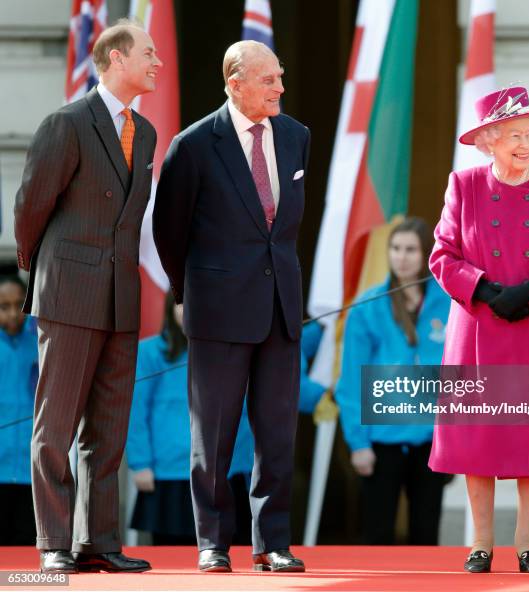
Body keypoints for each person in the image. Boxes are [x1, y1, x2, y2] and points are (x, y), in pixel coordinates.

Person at [153, 40, 309, 573]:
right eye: (269, 79)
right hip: (217, 309)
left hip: (281, 309)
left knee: (277, 431)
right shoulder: (195, 144)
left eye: (280, 77)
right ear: (235, 82)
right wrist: (191, 288)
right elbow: (168, 230)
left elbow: (285, 228)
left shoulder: (296, 137)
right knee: (214, 435)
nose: (280, 88)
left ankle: (272, 542)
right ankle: (213, 542)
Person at [13, 20, 161, 574]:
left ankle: (96, 542)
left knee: (107, 430)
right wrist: (46, 272)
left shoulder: (144, 133)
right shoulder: (67, 123)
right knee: (55, 427)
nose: (157, 63)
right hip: (69, 294)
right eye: (148, 54)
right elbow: (30, 208)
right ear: (116, 59)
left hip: (121, 296)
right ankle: (54, 542)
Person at [428, 86, 529, 573]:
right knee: (481, 440)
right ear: (489, 141)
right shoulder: (465, 184)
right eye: (515, 135)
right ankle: (480, 543)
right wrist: (482, 288)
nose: (526, 144)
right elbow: (442, 255)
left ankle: (527, 543)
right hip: (478, 327)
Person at [335, 218, 451, 545]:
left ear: (427, 253)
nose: (402, 257)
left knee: (426, 535)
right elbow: (351, 381)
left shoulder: (450, 302)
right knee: (377, 535)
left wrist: (458, 437)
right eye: (396, 249)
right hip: (381, 442)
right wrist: (357, 443)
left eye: (411, 249)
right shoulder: (367, 307)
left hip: (433, 442)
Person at [126, 292, 255, 546]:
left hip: (228, 474)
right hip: (171, 476)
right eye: (182, 305)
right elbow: (135, 411)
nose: (190, 311)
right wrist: (140, 463)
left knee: (233, 559)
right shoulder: (150, 352)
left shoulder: (236, 352)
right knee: (175, 565)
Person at [0, 276, 38, 546]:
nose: (13, 313)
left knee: (27, 548)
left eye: (18, 305)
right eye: (4, 306)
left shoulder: (42, 341)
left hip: (32, 471)